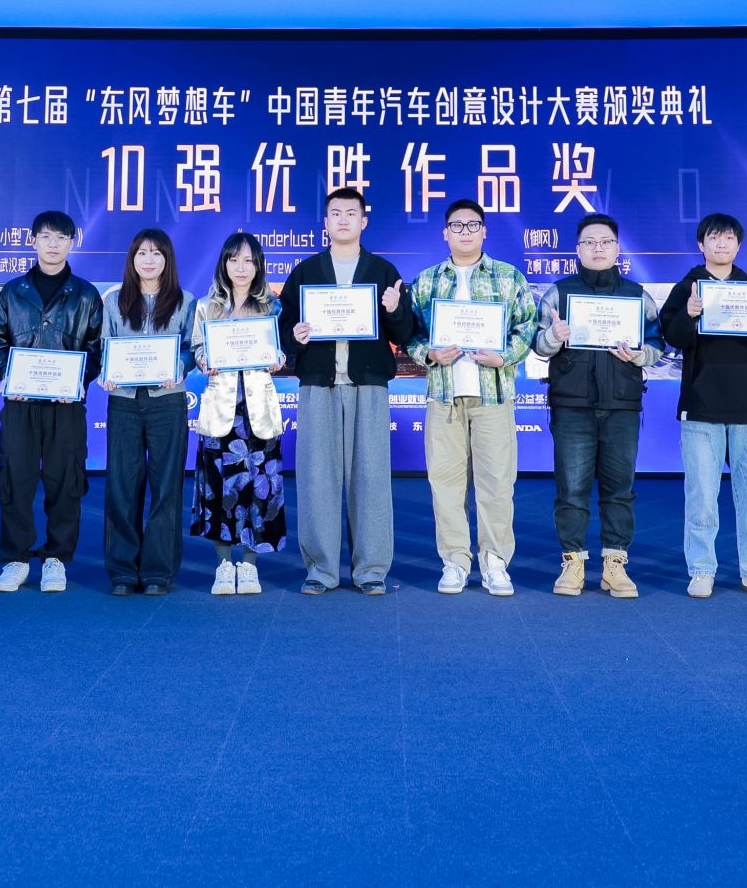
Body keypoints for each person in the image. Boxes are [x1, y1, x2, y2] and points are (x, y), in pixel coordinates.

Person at [276, 187, 414, 595]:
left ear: (363, 221)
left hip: (368, 385)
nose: (342, 220)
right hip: (318, 385)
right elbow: (283, 331)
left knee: (371, 478)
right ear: (325, 222)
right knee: (316, 478)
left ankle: (370, 570)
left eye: (351, 213)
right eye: (335, 213)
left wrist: (395, 308)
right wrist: (295, 335)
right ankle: (321, 570)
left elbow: (405, 333)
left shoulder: (383, 271)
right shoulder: (306, 272)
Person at [404, 199, 538, 596]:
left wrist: (504, 356)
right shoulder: (426, 280)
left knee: (497, 483)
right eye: (457, 225)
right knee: (445, 482)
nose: (465, 231)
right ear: (445, 233)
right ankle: (455, 561)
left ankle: (495, 562)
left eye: (473, 224)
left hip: (493, 394)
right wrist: (428, 353)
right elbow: (411, 334)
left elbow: (527, 326)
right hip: (444, 396)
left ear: (485, 231)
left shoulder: (509, 276)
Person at [530, 212, 661, 600]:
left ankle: (614, 564)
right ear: (578, 249)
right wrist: (554, 336)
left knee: (620, 489)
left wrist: (640, 355)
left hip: (622, 404)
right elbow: (538, 346)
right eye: (589, 242)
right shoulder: (559, 293)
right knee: (571, 489)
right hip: (573, 404)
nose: (597, 248)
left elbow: (658, 344)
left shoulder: (637, 295)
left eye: (605, 242)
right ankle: (573, 561)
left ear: (618, 249)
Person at [657, 212, 747, 600]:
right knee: (701, 497)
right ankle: (701, 570)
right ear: (701, 244)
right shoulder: (686, 289)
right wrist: (689, 315)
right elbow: (672, 338)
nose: (721, 244)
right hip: (701, 407)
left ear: (738, 245)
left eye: (729, 238)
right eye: (714, 237)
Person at [0, 210, 103, 594]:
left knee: (66, 480)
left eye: (61, 238)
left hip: (66, 406)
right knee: (15, 479)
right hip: (20, 404)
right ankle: (16, 559)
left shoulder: (86, 295)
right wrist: (8, 376)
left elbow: (97, 349)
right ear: (32, 240)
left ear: (72, 243)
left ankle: (57, 559)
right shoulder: (12, 292)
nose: (53, 244)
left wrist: (77, 380)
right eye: (46, 236)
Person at [190, 232, 289, 595]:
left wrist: (278, 359)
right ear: (224, 264)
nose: (241, 267)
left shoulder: (272, 306)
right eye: (234, 260)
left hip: (258, 409)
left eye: (249, 260)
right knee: (220, 488)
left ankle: (249, 565)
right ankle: (222, 565)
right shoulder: (206, 306)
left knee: (259, 488)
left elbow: (281, 351)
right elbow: (196, 348)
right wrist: (205, 361)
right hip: (221, 410)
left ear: (258, 265)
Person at [100, 228, 196, 597]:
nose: (149, 260)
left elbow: (191, 347)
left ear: (167, 259)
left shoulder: (185, 301)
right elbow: (105, 346)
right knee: (122, 485)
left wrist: (180, 366)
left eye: (157, 253)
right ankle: (123, 571)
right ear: (132, 259)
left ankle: (158, 571)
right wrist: (107, 372)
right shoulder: (114, 300)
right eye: (142, 253)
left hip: (168, 400)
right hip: (124, 401)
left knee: (166, 486)